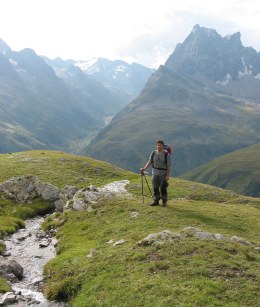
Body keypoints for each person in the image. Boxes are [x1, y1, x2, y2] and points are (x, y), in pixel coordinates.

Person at [140, 139, 171, 206]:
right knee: (155, 187)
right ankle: (156, 201)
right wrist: (144, 168)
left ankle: (164, 202)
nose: (159, 146)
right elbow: (150, 161)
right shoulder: (153, 153)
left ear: (163, 146)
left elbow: (168, 166)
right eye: (158, 145)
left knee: (163, 188)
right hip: (154, 173)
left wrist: (167, 176)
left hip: (163, 173)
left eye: (160, 145)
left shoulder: (166, 154)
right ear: (156, 146)